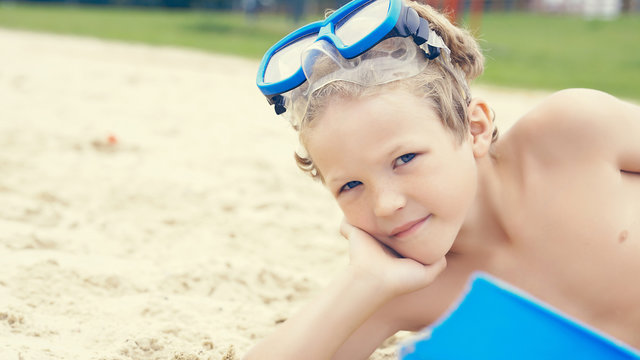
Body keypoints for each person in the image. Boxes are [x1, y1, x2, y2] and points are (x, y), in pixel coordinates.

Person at [249, 0, 640, 358]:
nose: (386, 204)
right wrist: (361, 283)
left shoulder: (572, 136)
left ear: (474, 128)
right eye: (350, 186)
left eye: (404, 159)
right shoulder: (405, 287)